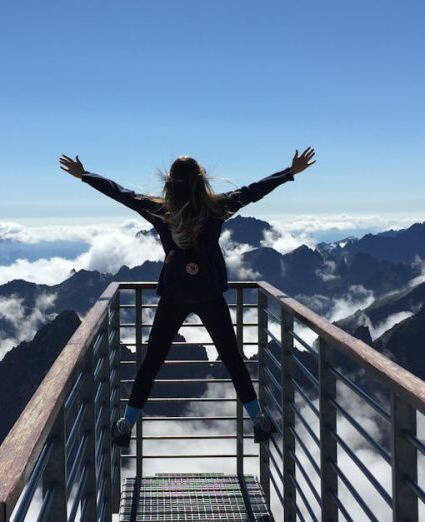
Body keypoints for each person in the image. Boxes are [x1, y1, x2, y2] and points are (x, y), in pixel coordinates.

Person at [59, 148, 316, 447]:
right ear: (201, 180)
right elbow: (253, 191)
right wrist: (289, 172)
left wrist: (85, 175)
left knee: (152, 360)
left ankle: (126, 423)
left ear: (170, 182)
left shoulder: (159, 210)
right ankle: (258, 418)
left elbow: (121, 194)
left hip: (174, 294)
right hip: (208, 293)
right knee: (232, 358)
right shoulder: (216, 208)